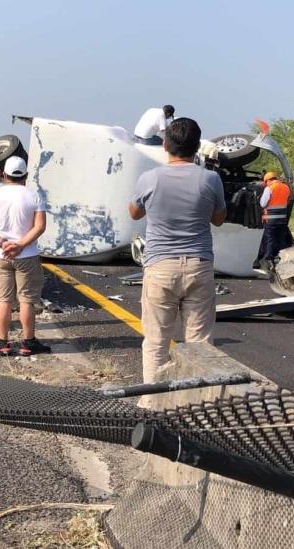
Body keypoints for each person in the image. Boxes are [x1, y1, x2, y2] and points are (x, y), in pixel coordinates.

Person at [128, 117, 227, 383]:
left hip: (161, 265)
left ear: (164, 145)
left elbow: (134, 213)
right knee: (199, 344)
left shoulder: (149, 178)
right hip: (199, 264)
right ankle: (194, 404)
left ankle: (152, 405)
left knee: (156, 342)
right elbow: (218, 219)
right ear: (197, 148)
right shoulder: (211, 179)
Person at [0, 156, 50, 356]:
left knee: (4, 299)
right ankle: (28, 342)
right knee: (27, 300)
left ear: (3, 175)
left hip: (1, 255)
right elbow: (40, 226)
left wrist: (3, 243)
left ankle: (2, 342)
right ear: (25, 175)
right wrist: (20, 245)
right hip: (27, 255)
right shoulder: (34, 196)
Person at [253, 171, 292, 270]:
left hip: (270, 219)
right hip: (282, 220)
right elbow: (287, 201)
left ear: (267, 180)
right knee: (279, 239)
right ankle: (276, 259)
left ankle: (266, 260)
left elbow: (263, 204)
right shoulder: (286, 187)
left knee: (269, 239)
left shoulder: (269, 188)